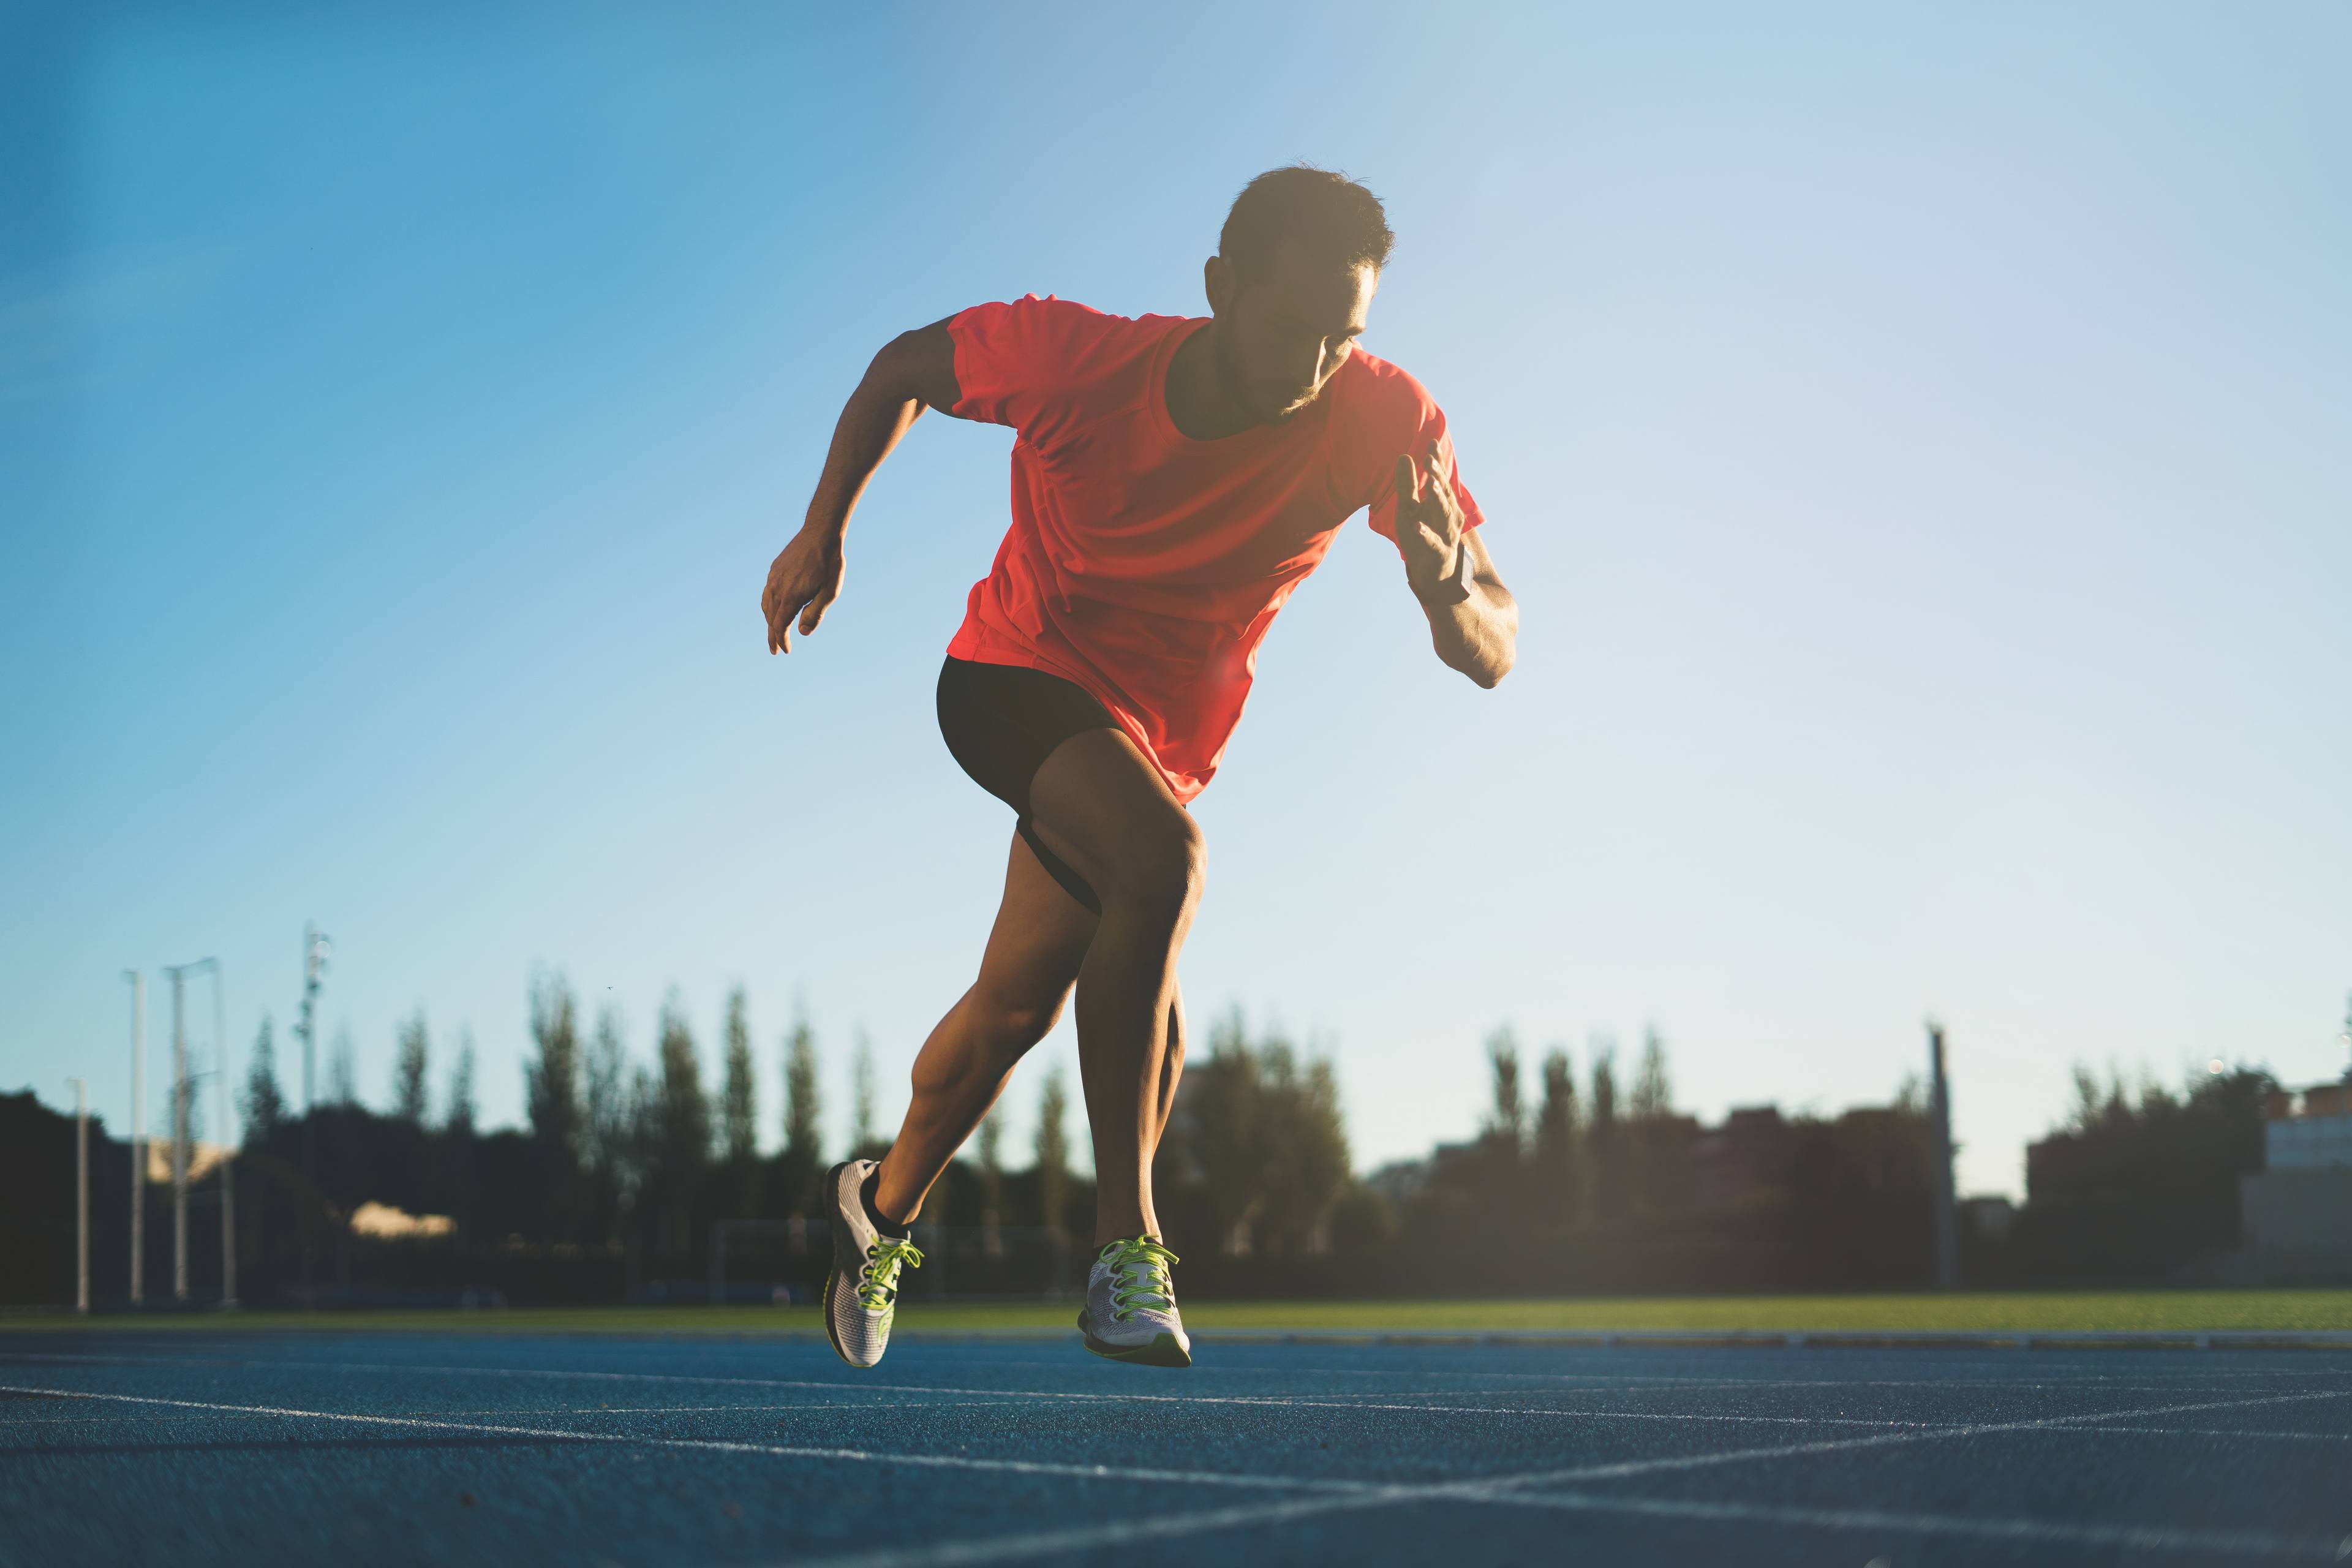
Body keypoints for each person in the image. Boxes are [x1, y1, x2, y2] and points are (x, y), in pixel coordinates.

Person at [760, 166, 1517, 1370]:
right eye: (1286, 329)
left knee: (1018, 1004)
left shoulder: (1382, 417)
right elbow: (907, 363)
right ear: (1219, 289)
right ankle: (1128, 1250)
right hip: (1010, 676)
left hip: (1151, 745)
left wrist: (1445, 595)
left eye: (1343, 336)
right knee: (1162, 867)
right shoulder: (1082, 363)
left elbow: (1495, 645)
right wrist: (825, 524)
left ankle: (881, 1207)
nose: (1313, 365)